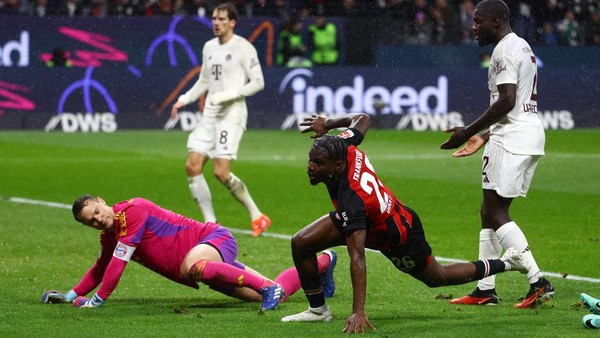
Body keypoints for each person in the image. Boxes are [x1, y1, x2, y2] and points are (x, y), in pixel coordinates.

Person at [280, 113, 529, 333]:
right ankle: (318, 310)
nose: (310, 167)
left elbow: (357, 256)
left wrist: (358, 311)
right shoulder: (342, 145)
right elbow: (363, 119)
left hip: (397, 234)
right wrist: (330, 123)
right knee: (302, 242)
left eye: (317, 164)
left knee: (437, 278)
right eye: (310, 160)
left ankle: (506, 263)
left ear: (337, 165)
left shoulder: (352, 200)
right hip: (372, 217)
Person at [440, 0, 554, 308]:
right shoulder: (522, 45)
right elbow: (515, 105)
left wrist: (467, 132)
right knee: (489, 210)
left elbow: (505, 101)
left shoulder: (503, 50)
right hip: (525, 133)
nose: (473, 26)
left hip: (511, 139)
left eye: (478, 21)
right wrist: (483, 135)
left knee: (494, 213)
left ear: (495, 21)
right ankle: (485, 289)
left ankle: (537, 279)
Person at [41, 195, 338, 309]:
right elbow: (101, 269)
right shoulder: (110, 236)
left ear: (102, 201)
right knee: (276, 292)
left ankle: (265, 288)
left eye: (95, 211)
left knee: (191, 266)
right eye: (90, 221)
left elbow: (117, 268)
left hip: (213, 240)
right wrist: (69, 295)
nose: (97, 219)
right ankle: (324, 262)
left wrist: (95, 302)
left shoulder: (131, 212)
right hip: (206, 262)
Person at [170, 2, 271, 237]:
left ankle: (257, 215)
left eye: (221, 19)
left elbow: (258, 82)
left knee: (221, 173)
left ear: (232, 22)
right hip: (210, 114)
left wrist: (231, 94)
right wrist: (184, 99)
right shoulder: (209, 47)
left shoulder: (244, 48)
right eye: (214, 19)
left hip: (232, 114)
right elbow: (204, 80)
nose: (216, 23)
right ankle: (211, 224)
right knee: (192, 165)